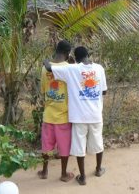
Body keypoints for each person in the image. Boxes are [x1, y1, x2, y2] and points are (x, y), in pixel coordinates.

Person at [44, 46, 107, 185]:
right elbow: (104, 92)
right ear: (88, 55)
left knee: (79, 146)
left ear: (76, 58)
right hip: (96, 114)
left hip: (79, 116)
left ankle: (83, 177)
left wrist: (45, 60)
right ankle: (98, 169)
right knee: (98, 142)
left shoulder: (72, 69)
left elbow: (49, 68)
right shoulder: (99, 68)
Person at [38, 40, 74, 182]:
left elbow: (42, 90)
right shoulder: (69, 68)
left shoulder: (44, 68)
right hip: (64, 115)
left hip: (48, 114)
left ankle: (45, 171)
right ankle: (63, 174)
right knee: (64, 146)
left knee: (46, 145)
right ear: (67, 54)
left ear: (56, 50)